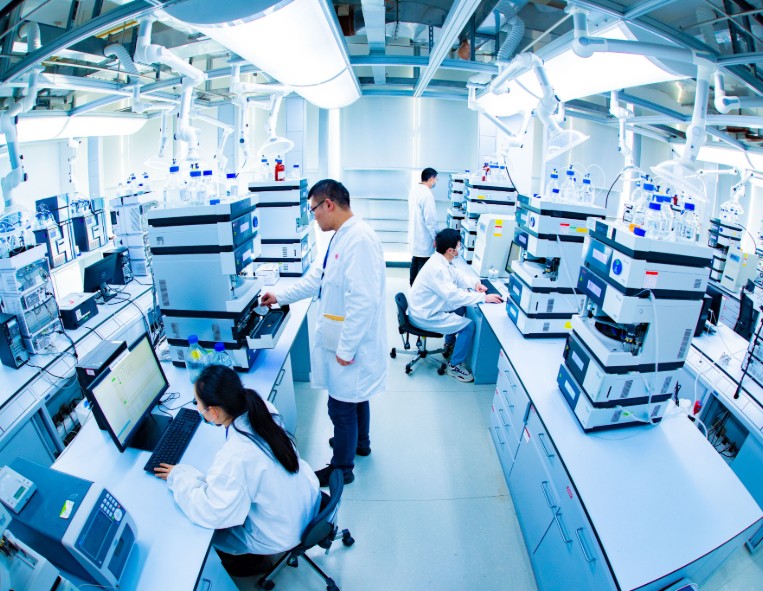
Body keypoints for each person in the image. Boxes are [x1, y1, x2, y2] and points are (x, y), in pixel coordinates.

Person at [260, 179, 386, 487]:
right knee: (355, 398)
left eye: (313, 209)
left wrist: (346, 348)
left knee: (340, 407)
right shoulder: (340, 237)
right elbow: (315, 279)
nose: (313, 217)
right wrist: (279, 296)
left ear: (328, 204)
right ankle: (360, 443)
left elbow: (363, 301)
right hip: (344, 339)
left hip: (352, 345)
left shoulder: (359, 240)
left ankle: (342, 469)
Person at [153, 365, 321, 578]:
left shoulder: (237, 456)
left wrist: (179, 477)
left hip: (284, 530)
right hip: (306, 503)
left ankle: (252, 563)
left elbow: (212, 512)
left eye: (197, 403)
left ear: (213, 412)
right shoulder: (263, 408)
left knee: (209, 534)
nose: (197, 407)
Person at [408, 228, 503, 383]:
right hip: (424, 316)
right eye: (459, 245)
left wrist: (475, 284)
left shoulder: (440, 260)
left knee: (461, 308)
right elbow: (454, 296)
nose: (460, 248)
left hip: (425, 307)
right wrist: (483, 298)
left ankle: (449, 343)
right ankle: (455, 366)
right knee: (469, 326)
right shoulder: (438, 269)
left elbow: (457, 276)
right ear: (451, 250)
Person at [408, 167, 439, 286]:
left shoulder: (414, 190)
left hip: (415, 234)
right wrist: (435, 237)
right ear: (431, 179)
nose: (435, 182)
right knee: (423, 263)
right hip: (424, 236)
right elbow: (431, 220)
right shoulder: (427, 194)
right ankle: (420, 288)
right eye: (436, 179)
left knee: (415, 260)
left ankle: (412, 286)